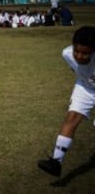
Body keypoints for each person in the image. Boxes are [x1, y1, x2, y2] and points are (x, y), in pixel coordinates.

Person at [38, 26, 95, 177]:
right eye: (77, 51)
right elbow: (76, 69)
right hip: (85, 87)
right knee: (72, 117)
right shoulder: (67, 54)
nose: (79, 56)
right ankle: (56, 162)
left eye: (86, 53)